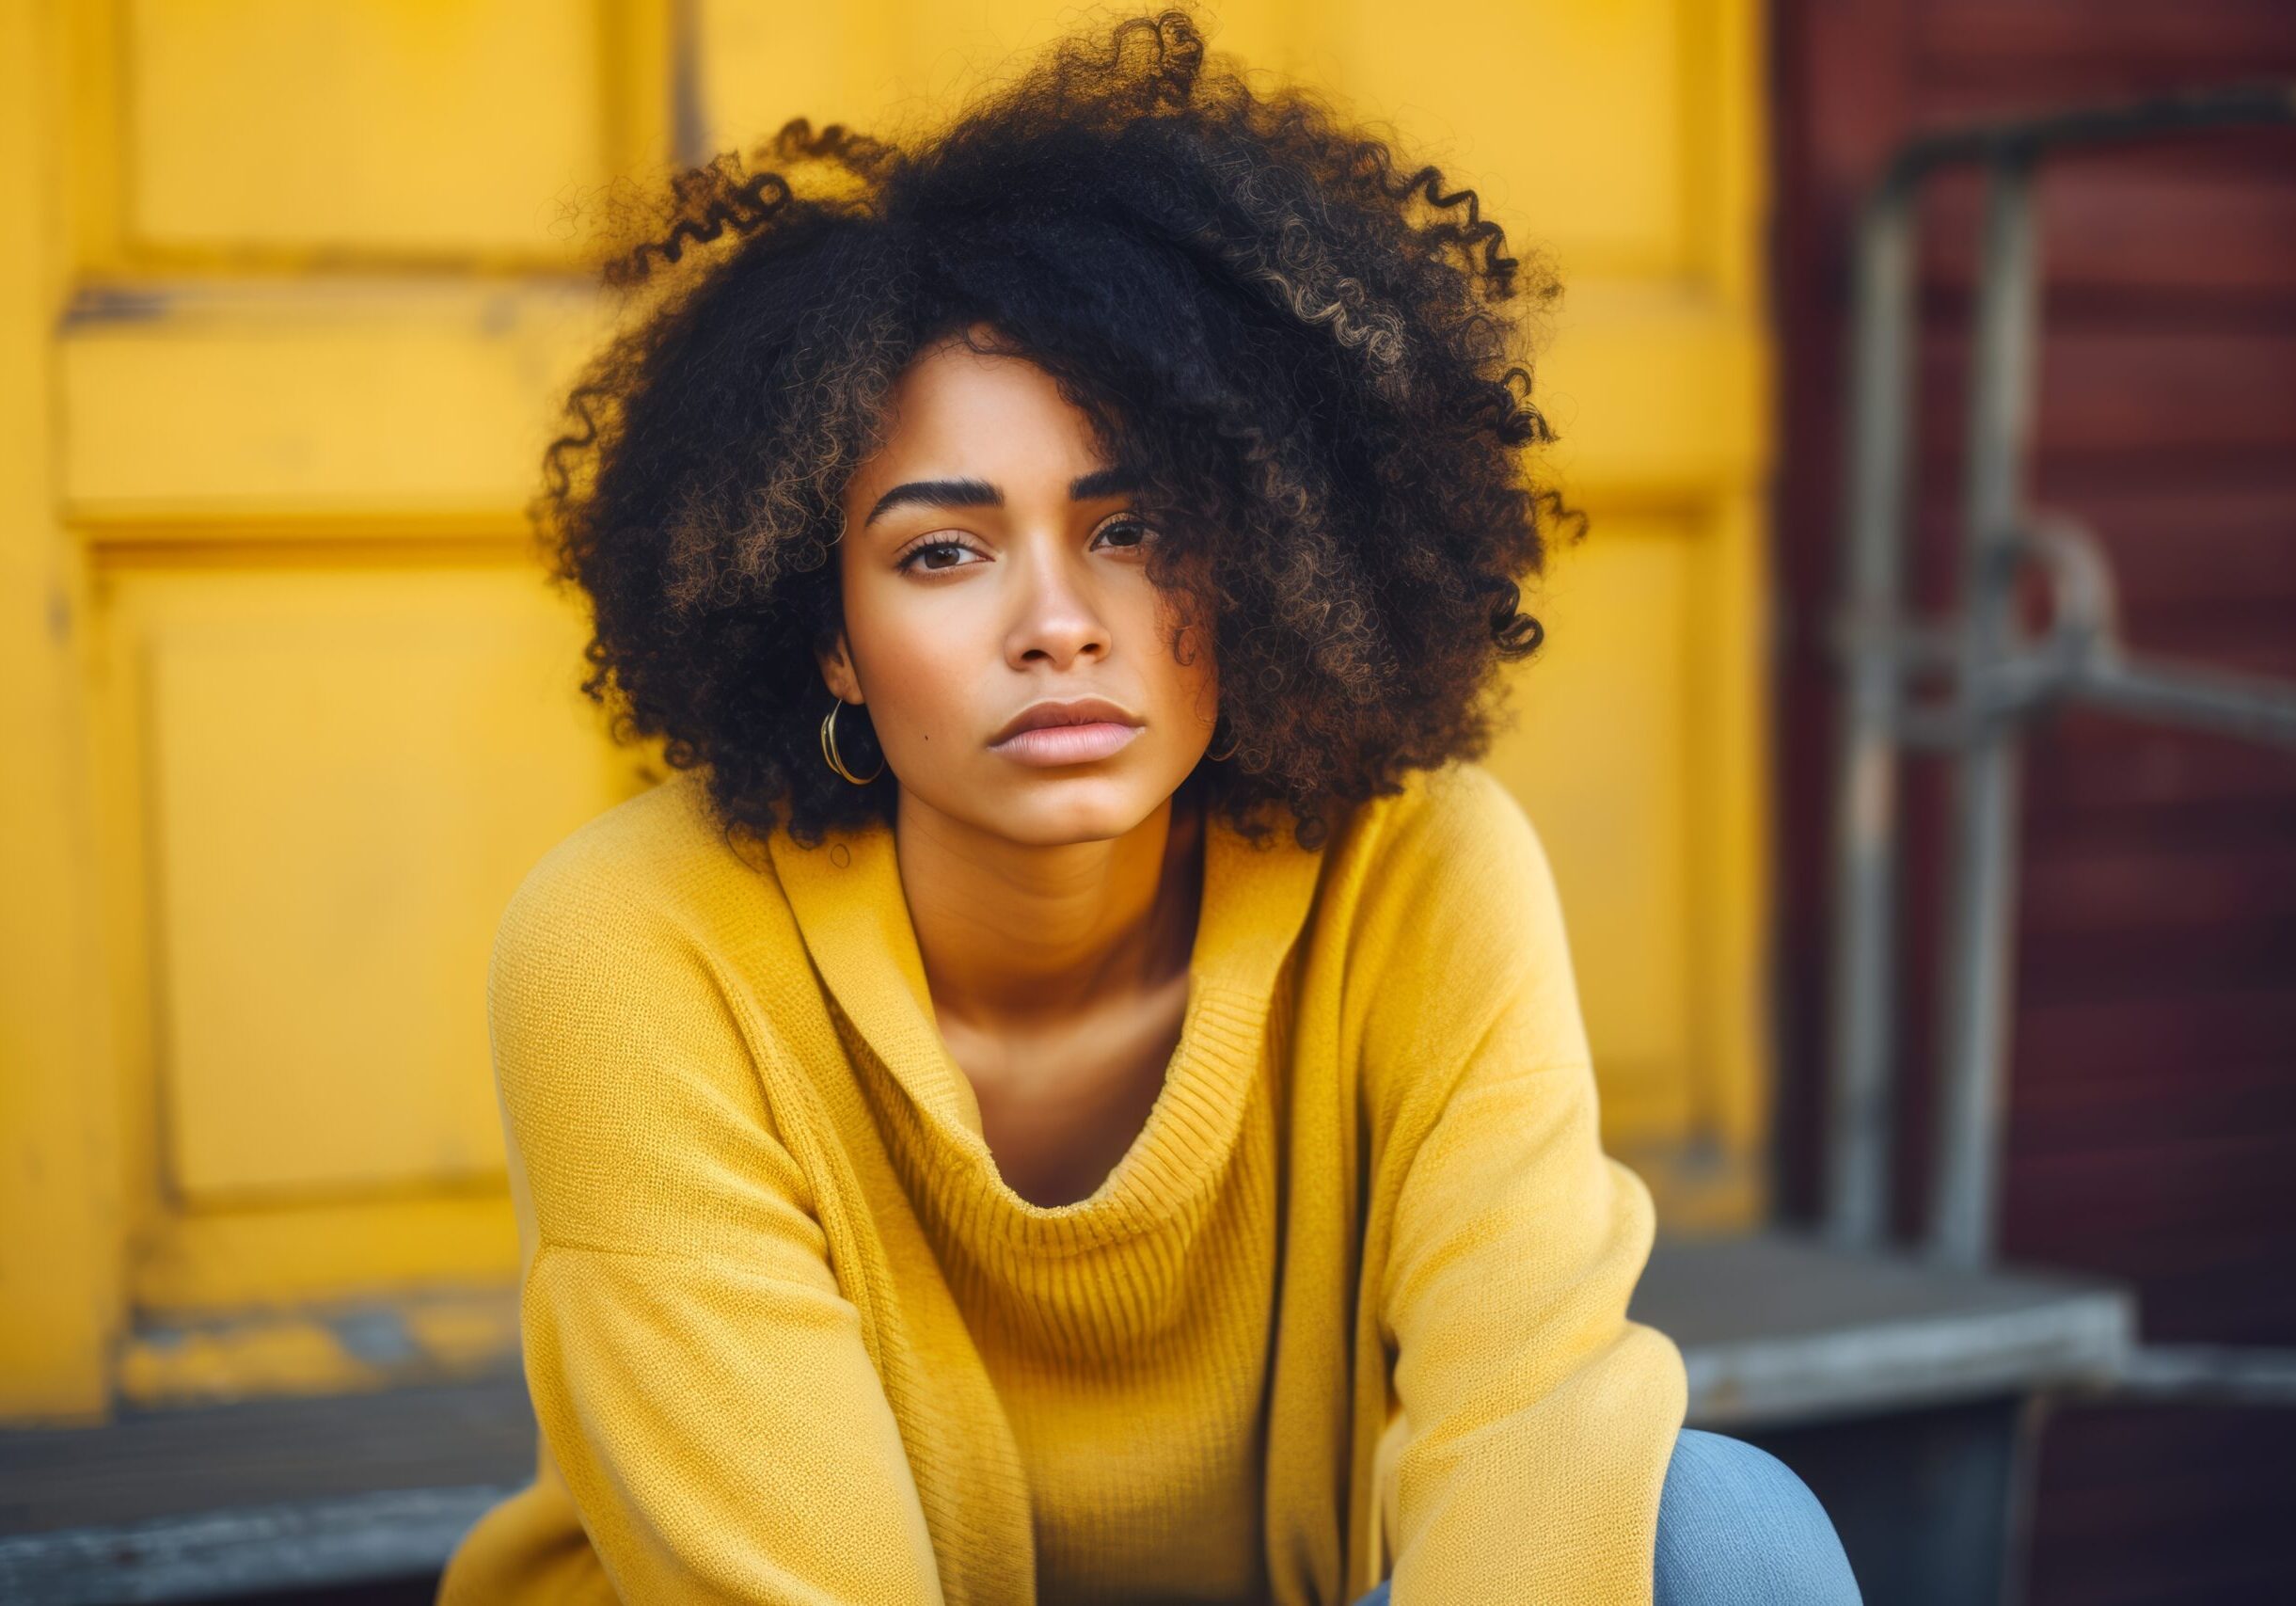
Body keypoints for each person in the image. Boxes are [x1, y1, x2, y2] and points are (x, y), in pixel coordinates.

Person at [437, 7, 1861, 1602]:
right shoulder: (634, 949)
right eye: (941, 551)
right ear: (825, 634)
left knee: (1717, 1530)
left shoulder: (1421, 874)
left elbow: (1532, 1430)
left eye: (1132, 529)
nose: (1058, 621)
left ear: (1265, 551)